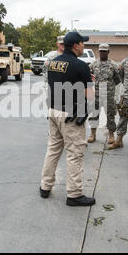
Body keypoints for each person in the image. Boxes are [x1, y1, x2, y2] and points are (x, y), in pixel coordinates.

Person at [40, 31, 96, 207]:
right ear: (76, 45)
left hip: (54, 111)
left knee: (53, 150)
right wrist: (89, 81)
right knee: (75, 154)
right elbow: (90, 96)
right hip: (71, 115)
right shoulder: (80, 66)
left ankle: (45, 186)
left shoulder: (53, 63)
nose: (84, 46)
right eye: (82, 43)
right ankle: (74, 194)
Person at [87, 43, 121, 144]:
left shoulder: (113, 65)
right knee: (94, 114)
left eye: (104, 51)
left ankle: (111, 134)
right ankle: (92, 134)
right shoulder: (93, 65)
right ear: (99, 52)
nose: (102, 53)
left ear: (108, 52)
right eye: (101, 51)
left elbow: (117, 80)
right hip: (96, 95)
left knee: (110, 115)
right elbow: (88, 77)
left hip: (109, 95)